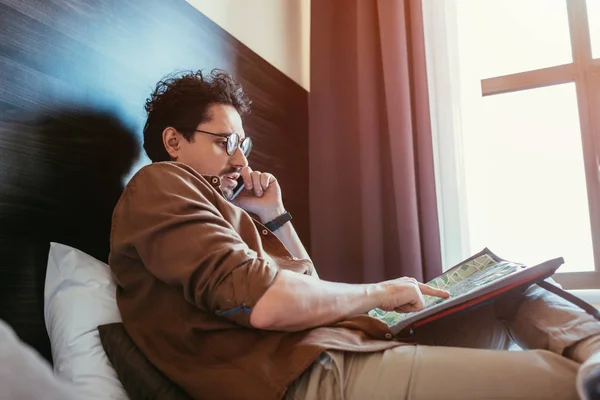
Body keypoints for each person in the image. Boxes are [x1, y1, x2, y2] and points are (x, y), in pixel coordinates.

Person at [109, 69, 600, 400]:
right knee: (558, 385)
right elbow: (272, 305)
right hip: (306, 376)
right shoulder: (161, 184)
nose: (241, 161)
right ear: (174, 141)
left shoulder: (224, 211)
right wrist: (385, 291)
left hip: (342, 345)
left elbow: (312, 293)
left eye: (243, 144)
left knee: (510, 288)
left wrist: (276, 218)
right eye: (225, 143)